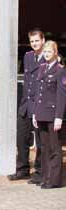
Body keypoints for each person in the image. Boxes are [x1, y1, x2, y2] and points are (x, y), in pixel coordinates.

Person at [8, 29, 45, 183]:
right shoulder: (28, 56)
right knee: (21, 138)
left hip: (40, 105)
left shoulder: (50, 56)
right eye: (32, 41)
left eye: (37, 40)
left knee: (41, 141)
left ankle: (39, 172)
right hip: (26, 104)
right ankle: (22, 169)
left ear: (43, 40)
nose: (34, 44)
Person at [32, 40, 66, 189]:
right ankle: (45, 177)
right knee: (44, 148)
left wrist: (59, 116)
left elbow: (61, 95)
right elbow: (38, 93)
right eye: (45, 52)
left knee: (55, 148)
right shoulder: (42, 68)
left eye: (49, 52)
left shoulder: (60, 70)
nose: (46, 54)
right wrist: (35, 113)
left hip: (53, 114)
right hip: (41, 113)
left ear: (55, 53)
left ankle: (54, 180)